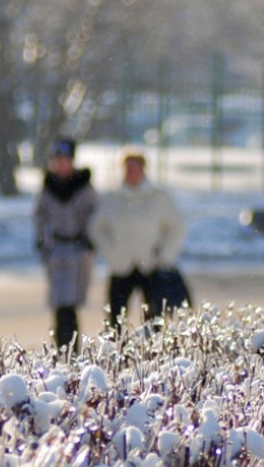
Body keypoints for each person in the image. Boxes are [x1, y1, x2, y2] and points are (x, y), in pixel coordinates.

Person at [89, 151, 187, 330]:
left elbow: (177, 226)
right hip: (121, 266)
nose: (132, 172)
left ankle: (152, 354)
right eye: (128, 168)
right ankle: (119, 354)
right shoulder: (112, 198)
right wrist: (110, 253)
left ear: (143, 169)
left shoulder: (158, 197)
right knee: (116, 320)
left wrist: (164, 255)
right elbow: (96, 228)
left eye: (135, 168)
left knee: (154, 318)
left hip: (150, 265)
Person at [33, 137, 96, 350]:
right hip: (57, 250)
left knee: (71, 305)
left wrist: (89, 241)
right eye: (57, 159)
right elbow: (39, 217)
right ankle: (60, 347)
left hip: (78, 250)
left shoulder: (84, 187)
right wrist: (42, 241)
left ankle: (71, 350)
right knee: (59, 303)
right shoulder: (48, 187)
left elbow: (94, 217)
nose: (61, 164)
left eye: (65, 159)